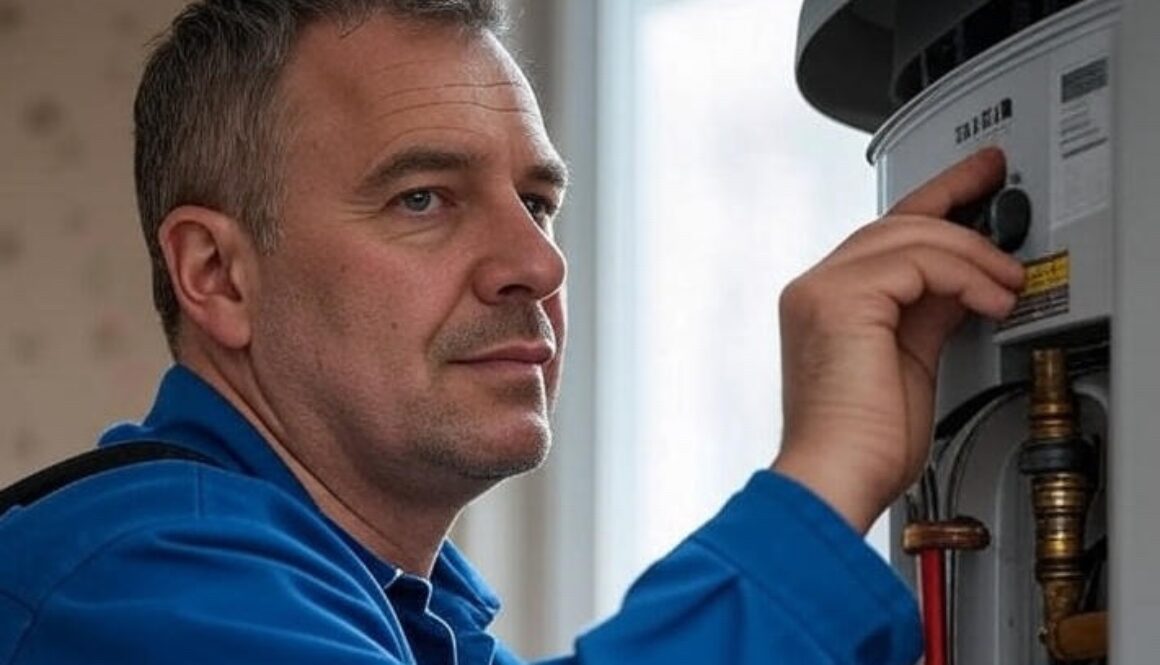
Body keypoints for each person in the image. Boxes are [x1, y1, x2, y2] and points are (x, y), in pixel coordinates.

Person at [0, 1, 1024, 663]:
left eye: (536, 203)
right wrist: (818, 482)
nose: (536, 264)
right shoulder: (126, 581)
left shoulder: (409, 617)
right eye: (421, 198)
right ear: (218, 275)